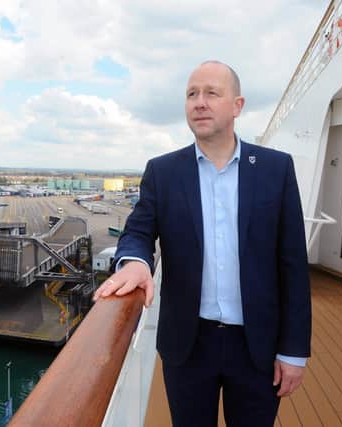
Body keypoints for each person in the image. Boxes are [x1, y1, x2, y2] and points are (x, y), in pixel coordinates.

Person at [93, 60, 311, 426]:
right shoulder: (163, 172)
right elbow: (139, 231)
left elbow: (293, 265)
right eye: (192, 94)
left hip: (258, 345)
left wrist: (294, 352)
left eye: (212, 93)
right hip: (188, 345)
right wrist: (135, 261)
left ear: (237, 106)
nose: (199, 102)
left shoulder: (276, 169)